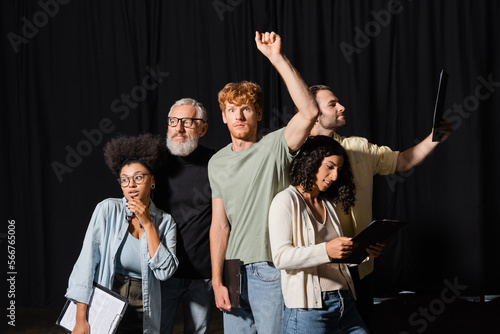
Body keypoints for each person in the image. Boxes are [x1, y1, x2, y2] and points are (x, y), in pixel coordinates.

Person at [308, 84, 452, 330]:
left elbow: (404, 161)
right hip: (317, 271)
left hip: (360, 268)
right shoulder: (290, 153)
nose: (342, 107)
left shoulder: (359, 148)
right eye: (332, 104)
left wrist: (435, 137)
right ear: (313, 112)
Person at [208, 31, 319, 333]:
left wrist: (276, 58)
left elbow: (309, 112)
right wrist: (217, 280)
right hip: (232, 269)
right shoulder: (216, 161)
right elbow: (219, 225)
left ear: (258, 113)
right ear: (223, 117)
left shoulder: (274, 145)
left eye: (246, 108)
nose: (239, 115)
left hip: (269, 267)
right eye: (232, 110)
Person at [269, 135, 385, 334]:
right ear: (311, 161)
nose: (335, 176)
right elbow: (280, 258)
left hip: (344, 301)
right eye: (330, 167)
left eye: (339, 169)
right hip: (309, 311)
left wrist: (363, 252)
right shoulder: (285, 201)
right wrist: (326, 250)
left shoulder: (329, 204)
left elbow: (337, 259)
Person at [65, 133, 179, 334]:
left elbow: (165, 272)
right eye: (124, 180)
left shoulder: (165, 222)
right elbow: (86, 263)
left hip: (145, 308)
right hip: (106, 301)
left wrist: (148, 224)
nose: (131, 185)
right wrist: (80, 318)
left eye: (138, 178)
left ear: (152, 180)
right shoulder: (107, 210)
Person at [155, 98, 216, 334]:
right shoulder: (154, 163)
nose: (179, 128)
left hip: (202, 274)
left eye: (188, 122)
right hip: (161, 272)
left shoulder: (216, 163)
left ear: (203, 128)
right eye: (173, 121)